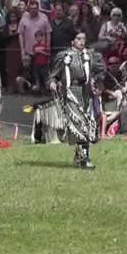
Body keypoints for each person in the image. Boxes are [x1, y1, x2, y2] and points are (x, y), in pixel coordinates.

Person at [48, 32, 102, 169]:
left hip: (86, 92)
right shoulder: (64, 56)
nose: (82, 41)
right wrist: (53, 82)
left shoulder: (89, 56)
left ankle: (80, 157)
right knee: (80, 125)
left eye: (84, 39)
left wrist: (97, 83)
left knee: (88, 124)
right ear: (72, 41)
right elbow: (53, 75)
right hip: (71, 92)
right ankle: (85, 159)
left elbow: (100, 69)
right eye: (78, 39)